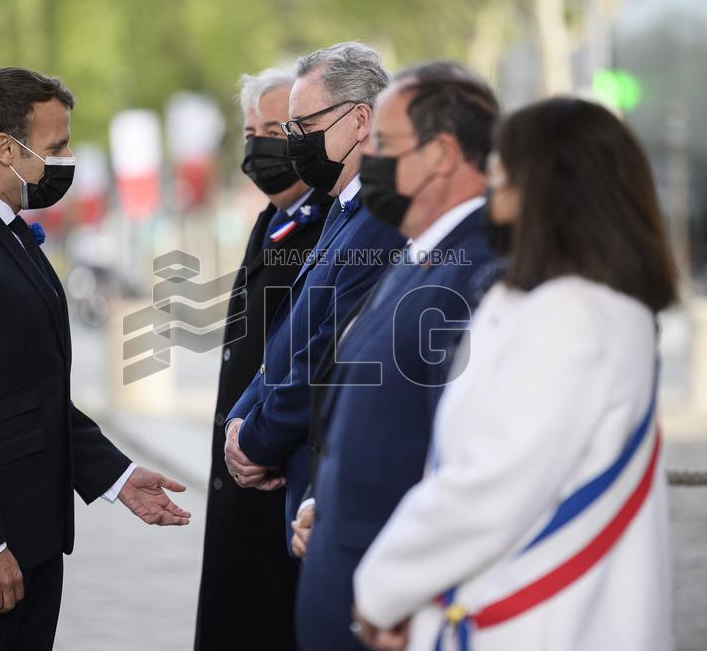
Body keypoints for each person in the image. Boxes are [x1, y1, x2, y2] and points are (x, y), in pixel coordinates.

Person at [351, 97, 679, 651]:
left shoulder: (574, 318)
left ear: (551, 190)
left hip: (537, 623)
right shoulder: (559, 307)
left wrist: (380, 590)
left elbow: (489, 486)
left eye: (502, 177)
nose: (490, 196)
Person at [0, 67, 190, 651]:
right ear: (5, 147)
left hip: (30, 534)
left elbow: (32, 390)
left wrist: (118, 477)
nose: (67, 158)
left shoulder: (7, 231)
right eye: (56, 146)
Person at [291, 61, 504, 651]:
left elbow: (471, 464)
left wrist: (395, 590)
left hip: (393, 612)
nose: (371, 158)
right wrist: (322, 501)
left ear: (439, 154)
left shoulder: (483, 273)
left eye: (384, 144)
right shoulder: (420, 253)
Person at [223, 41, 405, 553]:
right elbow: (289, 335)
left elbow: (327, 353)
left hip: (325, 483)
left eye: (303, 125)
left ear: (360, 120)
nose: (293, 141)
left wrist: (254, 439)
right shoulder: (343, 209)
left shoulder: (377, 218)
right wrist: (242, 415)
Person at [195, 66, 332, 651]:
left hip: (276, 473)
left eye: (275, 129)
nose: (258, 146)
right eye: (251, 131)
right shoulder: (271, 220)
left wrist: (258, 442)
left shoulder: (326, 223)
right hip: (243, 465)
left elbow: (308, 356)